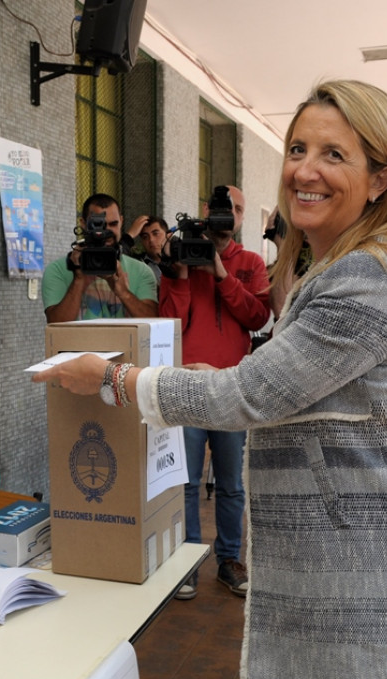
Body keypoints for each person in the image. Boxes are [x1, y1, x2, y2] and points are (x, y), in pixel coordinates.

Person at [32, 79, 387, 679]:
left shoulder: (368, 274)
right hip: (361, 585)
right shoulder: (344, 264)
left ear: (383, 178)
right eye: (298, 147)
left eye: (335, 154)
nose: (305, 167)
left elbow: (249, 391)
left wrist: (114, 378)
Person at [158, 184, 270, 600]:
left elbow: (258, 315)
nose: (229, 217)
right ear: (205, 212)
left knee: (231, 484)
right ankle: (187, 560)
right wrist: (184, 271)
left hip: (231, 387)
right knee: (184, 482)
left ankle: (228, 559)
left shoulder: (251, 263)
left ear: (241, 218)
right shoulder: (185, 252)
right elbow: (170, 321)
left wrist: (221, 274)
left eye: (237, 210)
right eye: (223, 209)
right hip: (187, 382)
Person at [42, 193, 158, 321]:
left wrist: (123, 292)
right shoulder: (57, 269)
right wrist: (78, 279)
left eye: (113, 224)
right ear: (83, 223)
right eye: (97, 224)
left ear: (121, 222)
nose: (105, 232)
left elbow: (153, 323)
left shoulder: (141, 271)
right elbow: (55, 324)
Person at [133, 215, 171, 285]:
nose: (151, 240)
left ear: (168, 235)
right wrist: (130, 235)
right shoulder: (137, 265)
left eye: (155, 234)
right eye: (145, 237)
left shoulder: (179, 263)